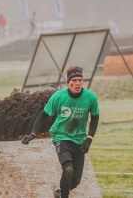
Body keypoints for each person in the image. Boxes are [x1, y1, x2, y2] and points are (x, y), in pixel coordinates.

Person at [21, 66, 100, 198]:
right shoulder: (58, 97)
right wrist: (33, 134)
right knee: (68, 169)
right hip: (61, 137)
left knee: (76, 180)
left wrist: (89, 139)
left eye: (80, 80)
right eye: (74, 80)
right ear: (68, 82)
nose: (78, 83)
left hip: (79, 139)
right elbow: (43, 114)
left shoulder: (90, 97)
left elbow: (95, 117)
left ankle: (61, 193)